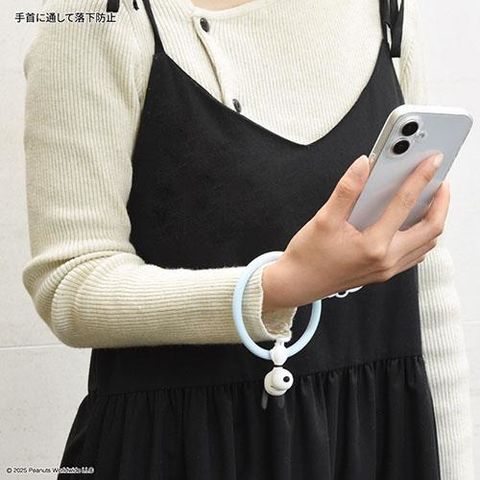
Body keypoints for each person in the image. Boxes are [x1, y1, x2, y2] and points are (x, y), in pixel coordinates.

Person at [22, 0, 473, 478]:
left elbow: (425, 278)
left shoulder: (384, 10)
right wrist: (274, 288)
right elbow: (70, 282)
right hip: (183, 451)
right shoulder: (96, 18)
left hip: (375, 443)